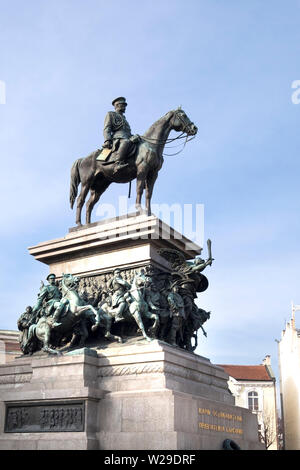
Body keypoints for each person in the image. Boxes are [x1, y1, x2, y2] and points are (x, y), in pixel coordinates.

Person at [102, 97, 139, 173]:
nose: (125, 107)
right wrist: (107, 140)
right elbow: (107, 128)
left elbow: (127, 131)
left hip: (127, 136)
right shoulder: (111, 114)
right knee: (126, 142)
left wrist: (133, 137)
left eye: (125, 106)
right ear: (117, 105)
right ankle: (118, 163)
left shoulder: (124, 118)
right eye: (123, 105)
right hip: (118, 138)